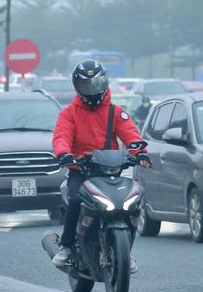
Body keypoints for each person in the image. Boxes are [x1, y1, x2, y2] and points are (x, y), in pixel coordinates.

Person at [51, 59, 150, 271]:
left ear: (104, 83)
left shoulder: (116, 112)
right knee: (76, 201)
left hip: (111, 171)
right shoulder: (69, 114)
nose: (92, 90)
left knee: (132, 204)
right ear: (77, 86)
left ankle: (126, 253)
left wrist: (140, 153)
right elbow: (61, 137)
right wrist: (65, 155)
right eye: (86, 85)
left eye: (95, 84)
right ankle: (67, 247)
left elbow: (131, 134)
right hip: (81, 171)